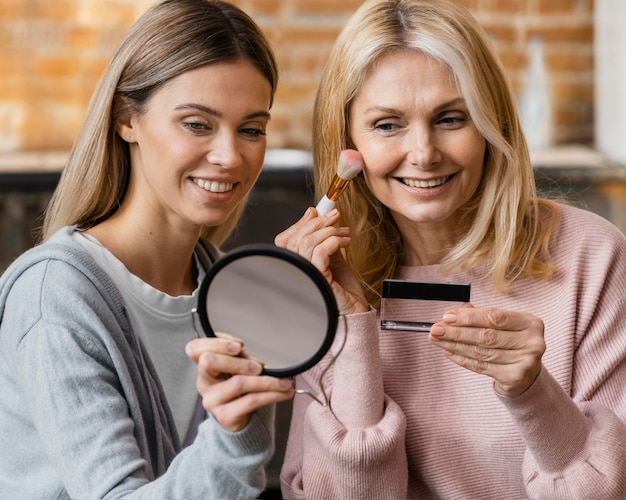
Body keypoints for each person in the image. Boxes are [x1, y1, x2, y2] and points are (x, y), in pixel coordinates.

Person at [276, 0, 626, 498]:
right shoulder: (328, 276)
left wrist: (532, 393)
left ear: (491, 126)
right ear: (346, 141)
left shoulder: (591, 256)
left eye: (451, 118)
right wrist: (352, 330)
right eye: (387, 124)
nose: (423, 153)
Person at [0, 0, 294, 498]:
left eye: (251, 129)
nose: (229, 156)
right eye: (197, 124)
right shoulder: (56, 298)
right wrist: (232, 440)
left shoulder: (225, 286)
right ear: (126, 119)